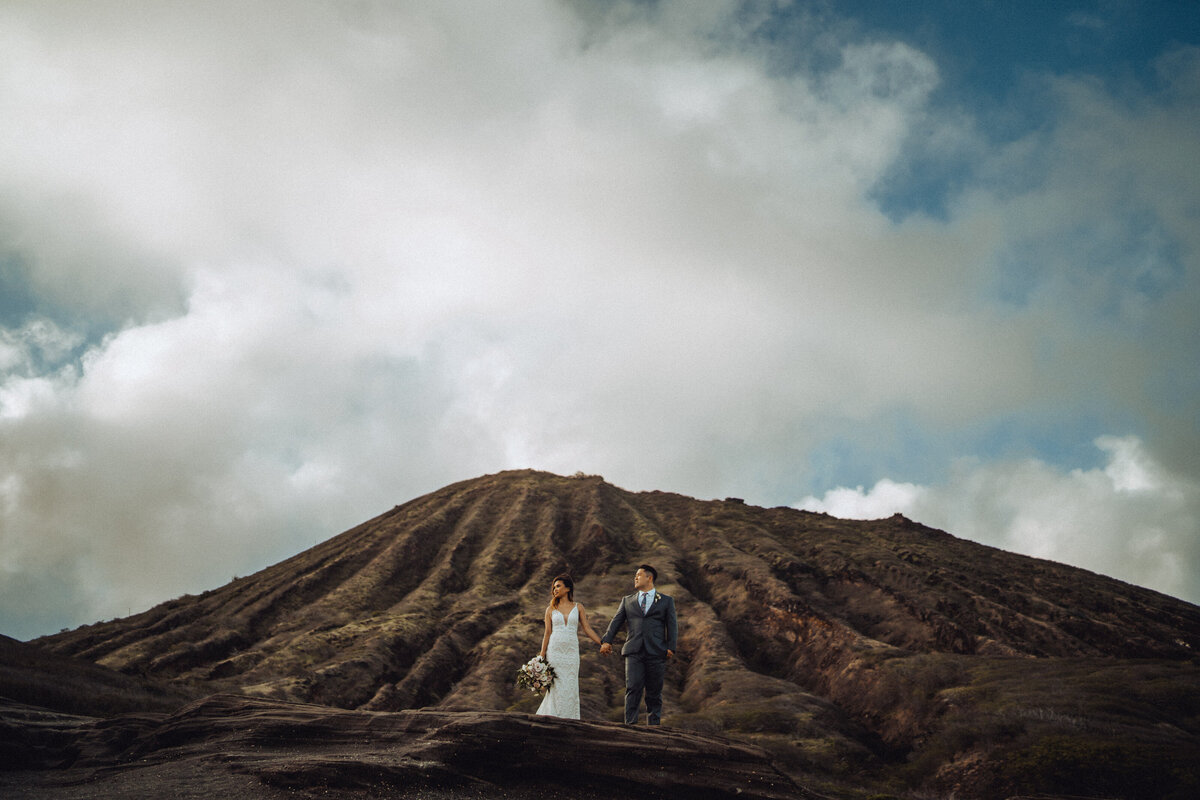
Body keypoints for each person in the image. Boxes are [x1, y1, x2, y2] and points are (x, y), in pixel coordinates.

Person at [600, 564, 678, 725]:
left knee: (654, 693)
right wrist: (607, 640)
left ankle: (654, 727)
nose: (635, 578)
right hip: (634, 650)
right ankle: (630, 726)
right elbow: (616, 622)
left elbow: (672, 625)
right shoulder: (627, 601)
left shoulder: (666, 601)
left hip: (657, 651)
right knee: (633, 687)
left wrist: (671, 646)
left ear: (649, 578)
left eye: (639, 575)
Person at [536, 574, 604, 719]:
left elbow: (587, 628)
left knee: (570, 684)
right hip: (555, 651)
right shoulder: (550, 609)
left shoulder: (578, 607)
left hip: (572, 652)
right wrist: (542, 654)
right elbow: (547, 633)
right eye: (554, 587)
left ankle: (569, 718)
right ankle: (552, 717)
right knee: (556, 685)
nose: (555, 589)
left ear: (567, 588)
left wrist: (602, 642)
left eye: (558, 586)